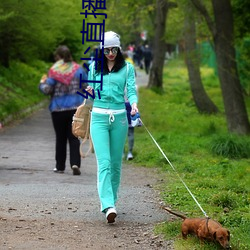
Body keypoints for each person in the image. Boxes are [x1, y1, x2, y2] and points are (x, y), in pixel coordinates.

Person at [86, 31, 138, 223]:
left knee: (116, 164)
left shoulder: (127, 68)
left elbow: (131, 90)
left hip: (120, 119)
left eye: (114, 49)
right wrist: (89, 91)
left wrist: (134, 104)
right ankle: (108, 205)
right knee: (105, 162)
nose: (110, 53)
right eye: (107, 50)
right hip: (98, 118)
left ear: (119, 49)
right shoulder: (94, 67)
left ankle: (112, 201)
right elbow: (90, 94)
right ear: (102, 50)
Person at [39, 45, 87, 175]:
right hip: (75, 109)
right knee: (74, 136)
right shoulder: (79, 70)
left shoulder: (54, 71)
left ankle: (60, 167)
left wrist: (42, 83)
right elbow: (86, 87)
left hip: (58, 109)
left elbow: (47, 90)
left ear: (58, 57)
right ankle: (75, 163)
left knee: (60, 138)